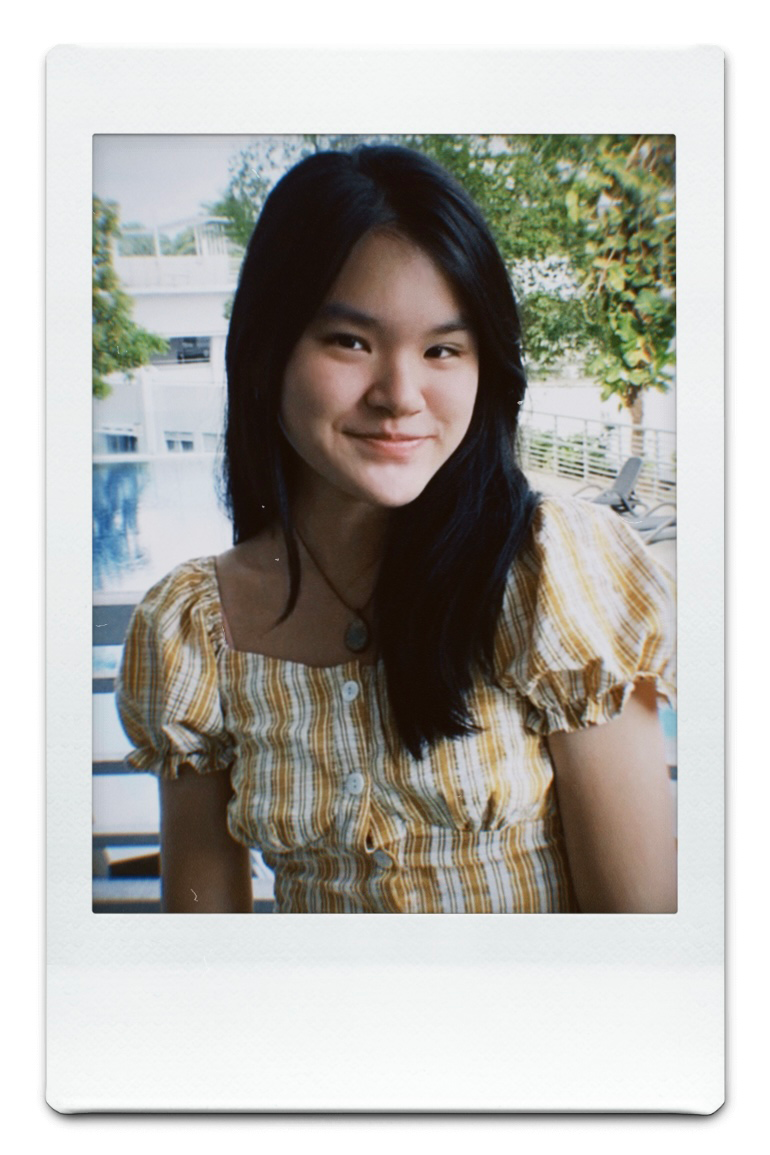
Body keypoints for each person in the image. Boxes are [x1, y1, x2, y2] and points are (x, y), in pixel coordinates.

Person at [116, 144, 677, 915]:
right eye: (351, 341)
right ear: (268, 351)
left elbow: (637, 931)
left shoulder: (549, 573)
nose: (401, 394)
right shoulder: (194, 631)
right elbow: (205, 946)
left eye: (443, 349)